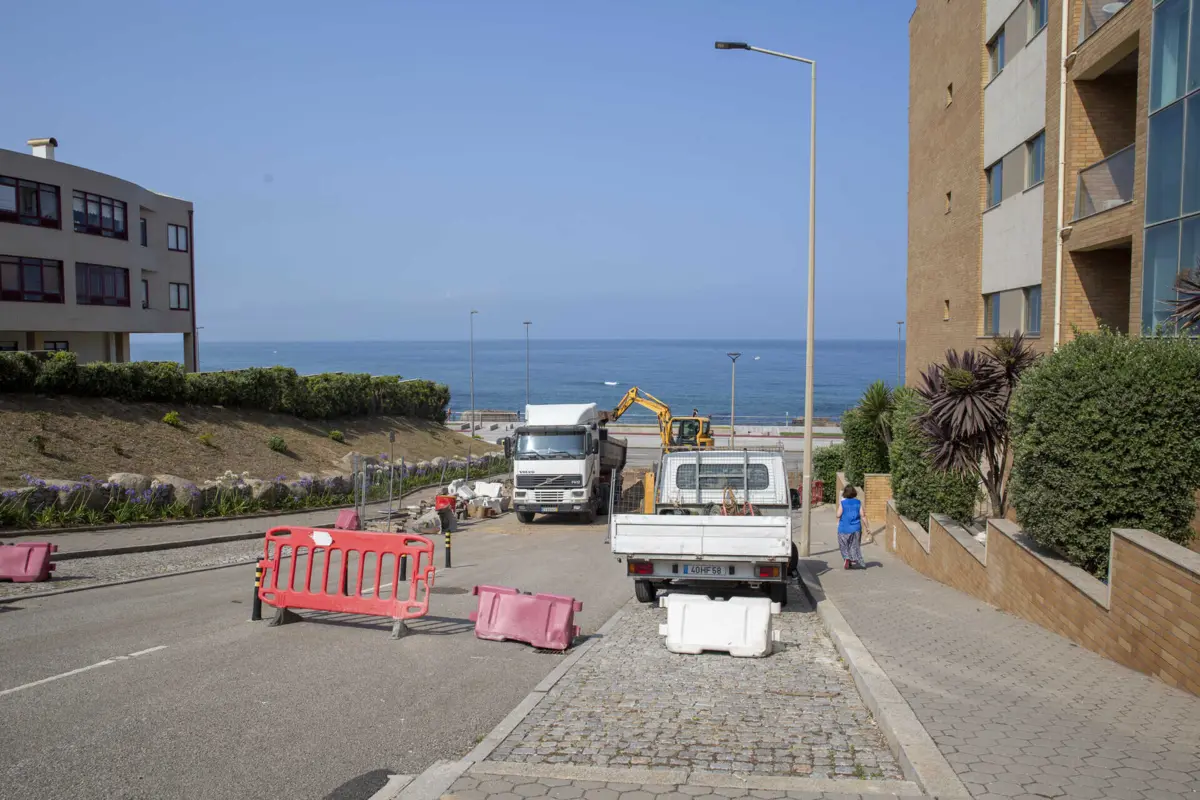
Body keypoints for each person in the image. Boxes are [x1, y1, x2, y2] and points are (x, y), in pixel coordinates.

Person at [836, 485, 865, 569]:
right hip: (856, 528)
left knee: (843, 544)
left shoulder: (843, 502)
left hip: (844, 528)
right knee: (854, 545)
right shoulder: (858, 502)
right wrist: (867, 527)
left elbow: (838, 514)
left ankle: (846, 558)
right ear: (854, 492)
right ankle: (852, 559)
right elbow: (863, 515)